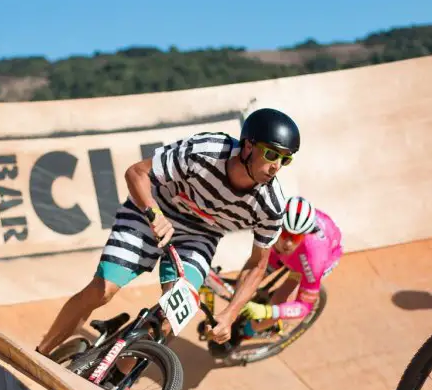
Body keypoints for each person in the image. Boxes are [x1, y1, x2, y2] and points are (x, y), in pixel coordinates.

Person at [35, 108, 302, 361]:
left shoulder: (270, 204)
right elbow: (137, 173)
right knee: (102, 290)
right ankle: (41, 351)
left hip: (199, 237)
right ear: (247, 146)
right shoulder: (206, 151)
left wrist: (231, 314)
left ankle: (114, 380)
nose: (277, 166)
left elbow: (258, 264)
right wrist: (154, 214)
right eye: (271, 154)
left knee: (172, 317)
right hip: (152, 213)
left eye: (285, 159)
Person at [234, 196, 343, 340]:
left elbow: (304, 307)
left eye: (296, 237)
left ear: (305, 234)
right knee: (245, 280)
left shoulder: (315, 257)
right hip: (280, 251)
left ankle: (253, 330)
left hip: (308, 260)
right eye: (285, 234)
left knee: (280, 299)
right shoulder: (271, 222)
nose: (289, 244)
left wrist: (267, 311)